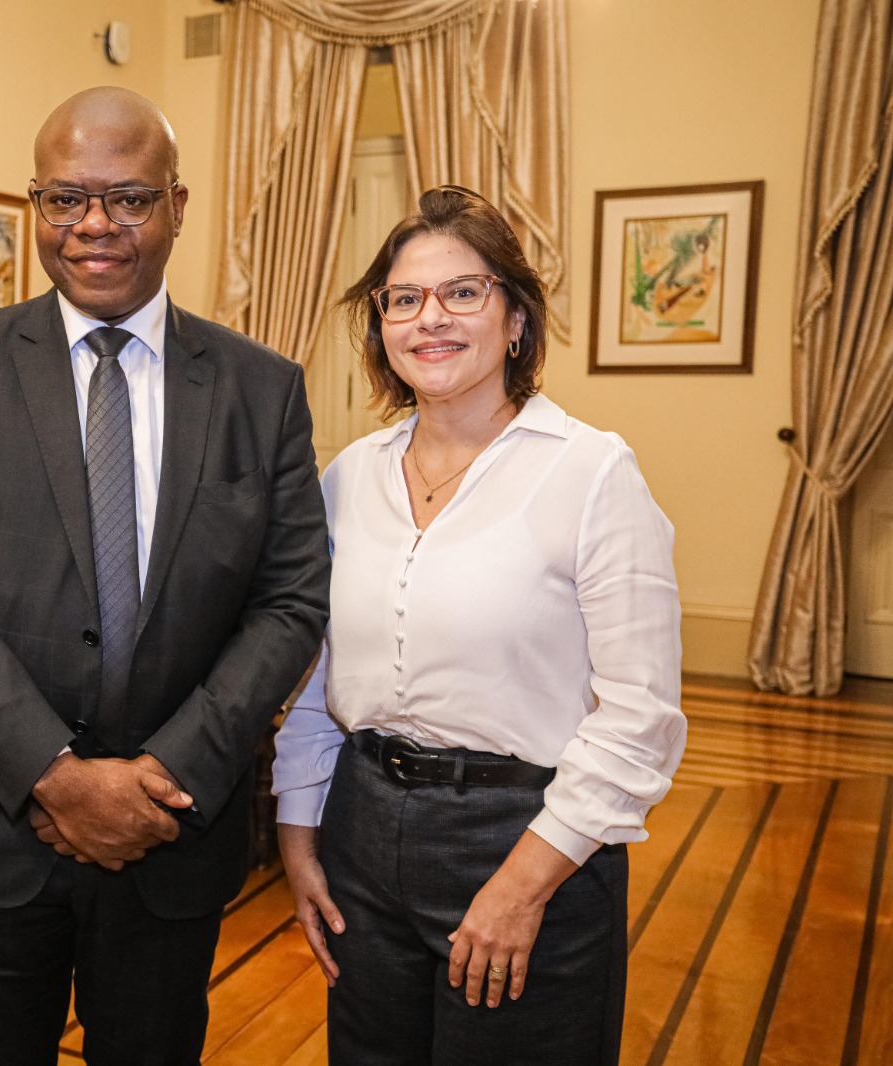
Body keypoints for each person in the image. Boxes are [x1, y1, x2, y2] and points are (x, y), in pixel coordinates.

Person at [0, 86, 330, 1066]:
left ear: (177, 205)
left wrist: (163, 777)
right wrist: (52, 772)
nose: (93, 225)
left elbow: (290, 596)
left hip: (171, 838)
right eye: (63, 198)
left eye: (127, 198)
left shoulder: (261, 388)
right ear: (33, 204)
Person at [272, 185, 684, 1065]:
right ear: (380, 323)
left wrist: (522, 887)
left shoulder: (592, 473)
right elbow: (313, 682)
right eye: (405, 298)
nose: (432, 319)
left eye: (464, 292)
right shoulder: (347, 478)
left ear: (517, 319)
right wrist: (299, 839)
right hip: (362, 828)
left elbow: (640, 717)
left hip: (530, 837)